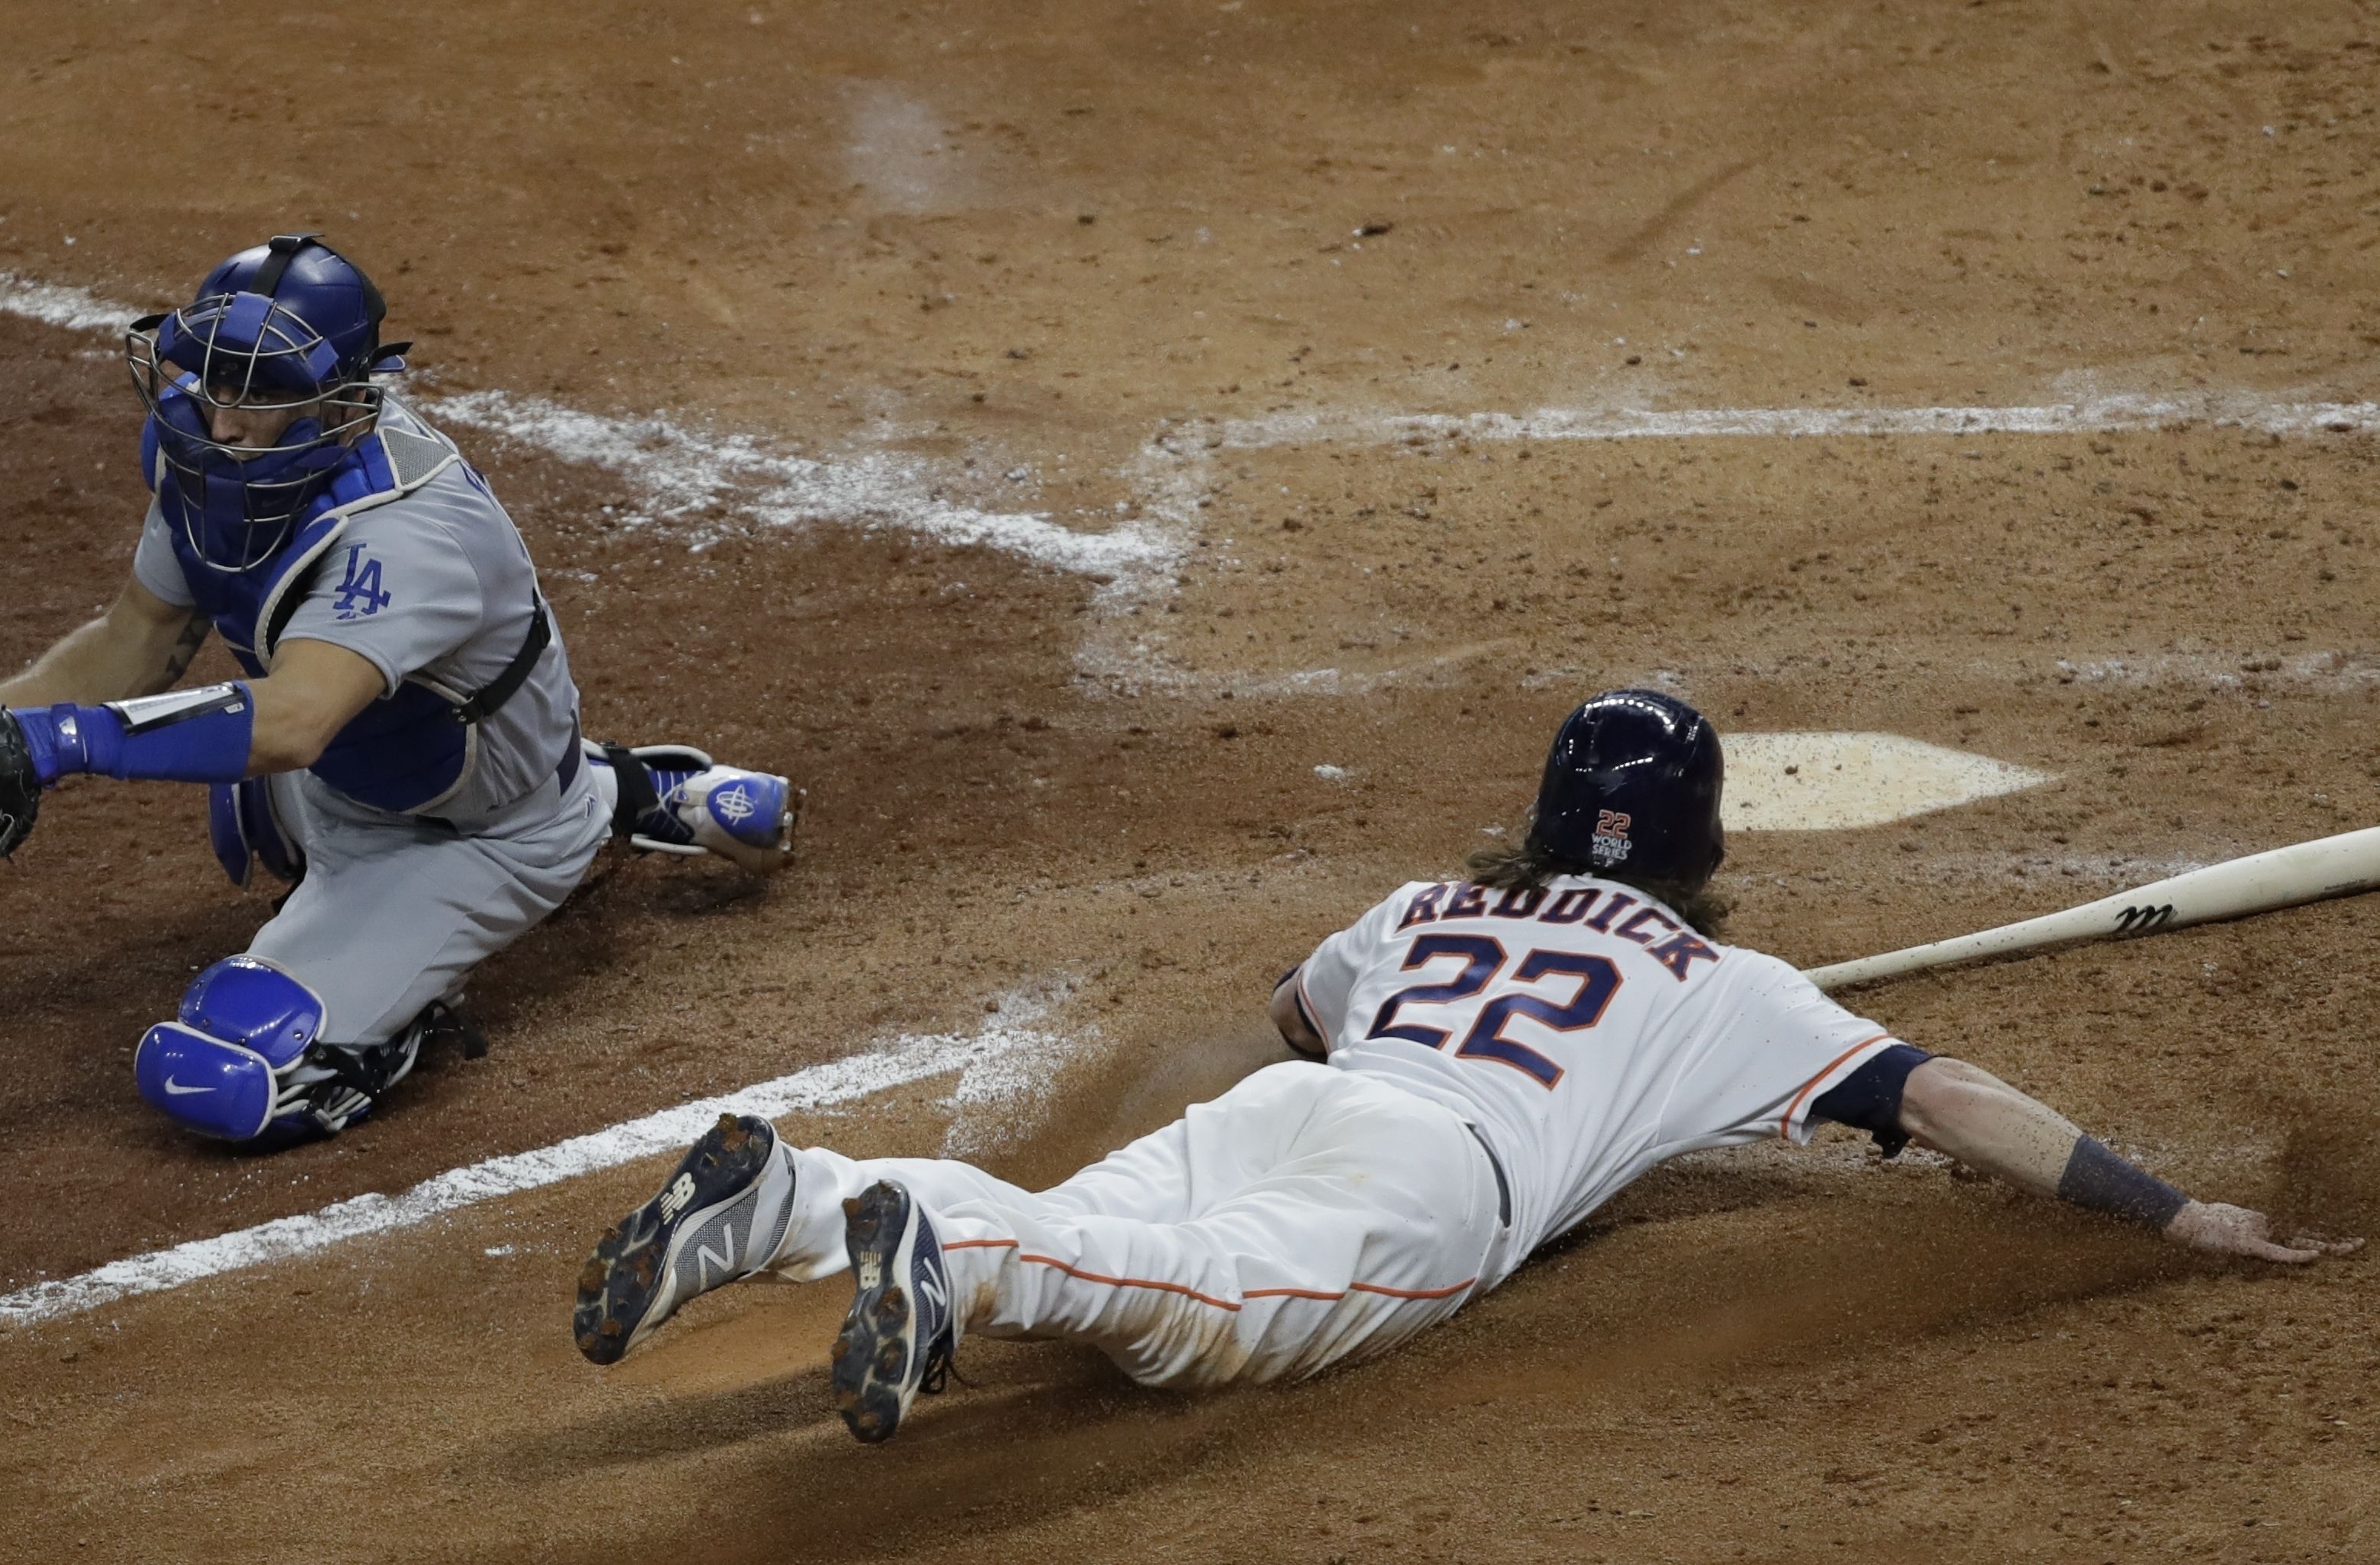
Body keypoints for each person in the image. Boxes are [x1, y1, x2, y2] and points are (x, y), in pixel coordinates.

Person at [569, 689, 2354, 1443]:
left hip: (1300, 1095)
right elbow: (1955, 1105)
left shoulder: (1419, 899)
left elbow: (1295, 1021)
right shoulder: (1737, 984)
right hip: (1434, 1180)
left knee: (1100, 1210)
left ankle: (801, 1191)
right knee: (1192, 1314)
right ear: (1698, 840)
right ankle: (948, 1257)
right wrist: (2169, 1205)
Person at [0, 233, 794, 1145]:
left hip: (484, 830)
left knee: (219, 1075)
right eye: (212, 376)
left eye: (266, 390)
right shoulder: (203, 454)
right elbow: (136, 638)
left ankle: (409, 1004)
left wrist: (58, 742)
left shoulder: (409, 531)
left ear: (347, 406)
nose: (226, 419)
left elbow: (291, 723)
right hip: (354, 772)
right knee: (251, 808)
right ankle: (638, 790)